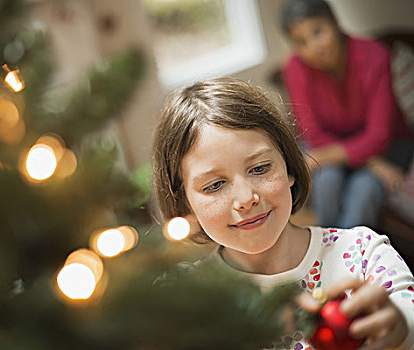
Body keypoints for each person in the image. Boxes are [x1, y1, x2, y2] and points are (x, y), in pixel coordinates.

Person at [152, 77, 414, 349]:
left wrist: (401, 329)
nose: (245, 199)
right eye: (215, 185)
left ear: (288, 167)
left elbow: (406, 314)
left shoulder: (363, 254)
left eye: (260, 168)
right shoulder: (182, 297)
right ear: (185, 203)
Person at [280, 0, 414, 229]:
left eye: (318, 31)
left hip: (388, 147)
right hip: (337, 147)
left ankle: (351, 260)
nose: (314, 46)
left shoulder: (375, 55)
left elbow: (379, 135)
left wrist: (365, 159)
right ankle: (327, 250)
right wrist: (370, 162)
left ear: (335, 23)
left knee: (365, 189)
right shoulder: (294, 67)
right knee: (327, 179)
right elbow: (312, 133)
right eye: (301, 42)